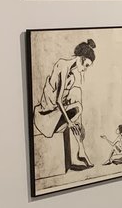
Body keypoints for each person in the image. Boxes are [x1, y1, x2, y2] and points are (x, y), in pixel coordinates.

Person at [33, 39, 96, 171]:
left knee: (76, 97)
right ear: (81, 59)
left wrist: (69, 108)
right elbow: (57, 101)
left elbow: (61, 99)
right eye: (86, 65)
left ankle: (81, 149)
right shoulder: (63, 66)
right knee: (78, 105)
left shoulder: (71, 75)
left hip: (54, 113)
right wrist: (69, 121)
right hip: (45, 116)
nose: (85, 69)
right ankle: (81, 150)